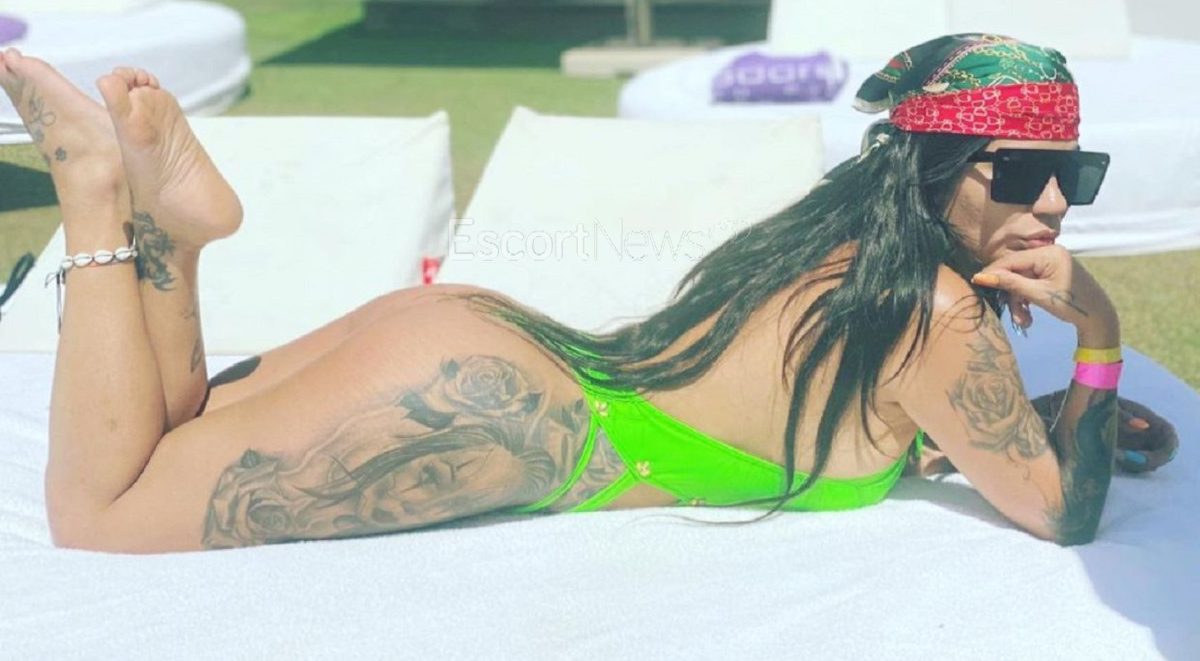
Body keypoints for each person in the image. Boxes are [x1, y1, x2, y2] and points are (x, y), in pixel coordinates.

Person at [0, 34, 1177, 554]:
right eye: (1017, 172)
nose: (1053, 204)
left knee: (169, 435)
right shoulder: (935, 310)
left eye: (1072, 173)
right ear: (935, 165)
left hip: (477, 348)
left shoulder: (854, 250)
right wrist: (1101, 330)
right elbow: (1058, 517)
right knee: (100, 514)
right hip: (495, 412)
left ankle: (178, 237)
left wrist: (1022, 416)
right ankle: (95, 195)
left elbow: (911, 419)